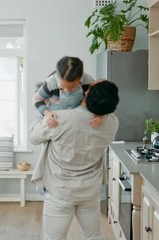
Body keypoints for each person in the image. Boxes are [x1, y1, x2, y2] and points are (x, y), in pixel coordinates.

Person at [29, 80, 120, 240]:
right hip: (89, 191)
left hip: (60, 191)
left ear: (86, 93)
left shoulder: (59, 118)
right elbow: (107, 112)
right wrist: (104, 114)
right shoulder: (111, 122)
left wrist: (44, 112)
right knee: (94, 236)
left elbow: (34, 138)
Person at [33, 56, 105, 128]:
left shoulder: (88, 80)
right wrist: (47, 113)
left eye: (72, 88)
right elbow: (36, 100)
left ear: (80, 78)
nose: (67, 91)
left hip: (75, 117)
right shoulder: (51, 83)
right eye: (61, 88)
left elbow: (98, 99)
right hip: (55, 117)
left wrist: (101, 116)